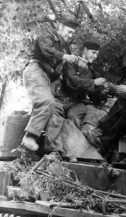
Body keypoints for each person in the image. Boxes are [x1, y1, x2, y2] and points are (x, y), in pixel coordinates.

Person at [22, 17, 80, 152]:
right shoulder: (46, 35)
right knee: (46, 102)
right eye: (69, 31)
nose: (70, 36)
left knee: (52, 107)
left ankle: (39, 148)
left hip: (46, 78)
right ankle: (29, 138)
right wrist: (64, 57)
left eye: (72, 33)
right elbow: (47, 50)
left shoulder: (62, 48)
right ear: (60, 26)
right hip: (35, 71)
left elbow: (56, 73)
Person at [62, 40, 108, 132]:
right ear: (85, 50)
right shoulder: (71, 62)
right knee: (72, 115)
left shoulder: (91, 70)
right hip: (64, 100)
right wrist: (93, 82)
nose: (95, 56)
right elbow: (73, 81)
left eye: (97, 54)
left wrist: (103, 92)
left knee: (75, 114)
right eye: (93, 53)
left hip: (79, 102)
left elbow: (92, 94)